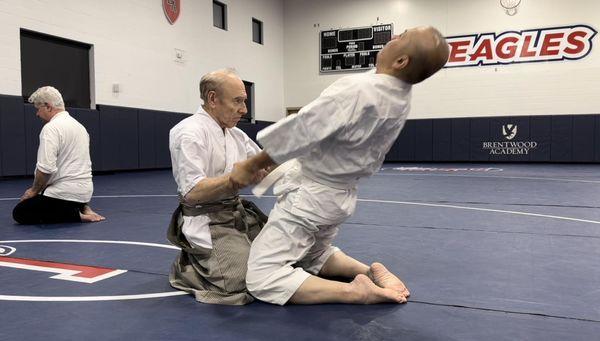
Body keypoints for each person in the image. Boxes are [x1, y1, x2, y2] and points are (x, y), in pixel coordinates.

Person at [230, 26, 450, 305]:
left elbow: (303, 129)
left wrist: (252, 165)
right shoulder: (399, 95)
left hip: (310, 197)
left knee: (262, 277)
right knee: (313, 254)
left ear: (401, 61)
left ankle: (356, 292)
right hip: (338, 198)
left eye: (401, 37)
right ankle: (369, 272)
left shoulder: (359, 91)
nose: (392, 38)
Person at [167, 68, 270, 305]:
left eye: (244, 101)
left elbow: (265, 165)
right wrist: (233, 179)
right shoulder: (189, 132)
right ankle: (189, 266)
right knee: (244, 283)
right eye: (238, 101)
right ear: (213, 98)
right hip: (206, 218)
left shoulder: (236, 134)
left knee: (280, 257)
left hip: (237, 212)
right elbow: (192, 193)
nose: (244, 110)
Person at [12, 86, 105, 224]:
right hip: (85, 192)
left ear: (48, 107)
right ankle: (82, 206)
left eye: (38, 109)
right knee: (48, 195)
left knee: (20, 212)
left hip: (64, 193)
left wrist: (33, 191)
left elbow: (45, 169)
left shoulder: (51, 128)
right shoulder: (80, 127)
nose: (37, 114)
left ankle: (76, 215)